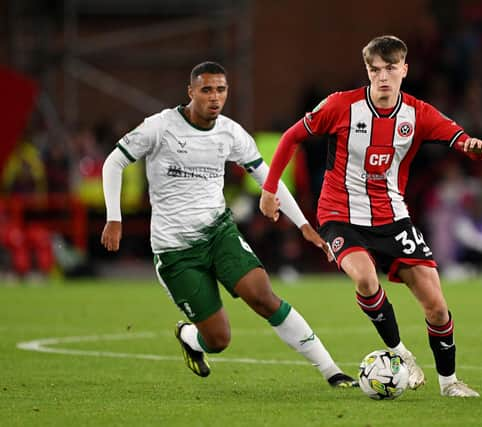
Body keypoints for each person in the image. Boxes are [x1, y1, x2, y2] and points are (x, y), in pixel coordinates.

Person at [101, 61, 356, 388]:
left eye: (220, 90)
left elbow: (268, 177)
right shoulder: (160, 126)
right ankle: (190, 336)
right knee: (219, 339)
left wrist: (303, 224)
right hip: (175, 250)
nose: (214, 97)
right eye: (206, 89)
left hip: (219, 232)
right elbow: (114, 161)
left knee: (263, 296)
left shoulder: (231, 132)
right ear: (190, 91)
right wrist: (114, 217)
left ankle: (331, 371)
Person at [260, 36, 482, 397]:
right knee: (365, 280)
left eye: (390, 69)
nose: (382, 77)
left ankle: (450, 384)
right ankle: (400, 355)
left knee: (437, 307)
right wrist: (270, 189)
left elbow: (458, 137)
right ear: (367, 71)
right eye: (374, 70)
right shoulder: (340, 106)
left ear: (404, 70)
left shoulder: (418, 114)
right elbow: (291, 137)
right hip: (340, 214)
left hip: (393, 216)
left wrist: (471, 147)